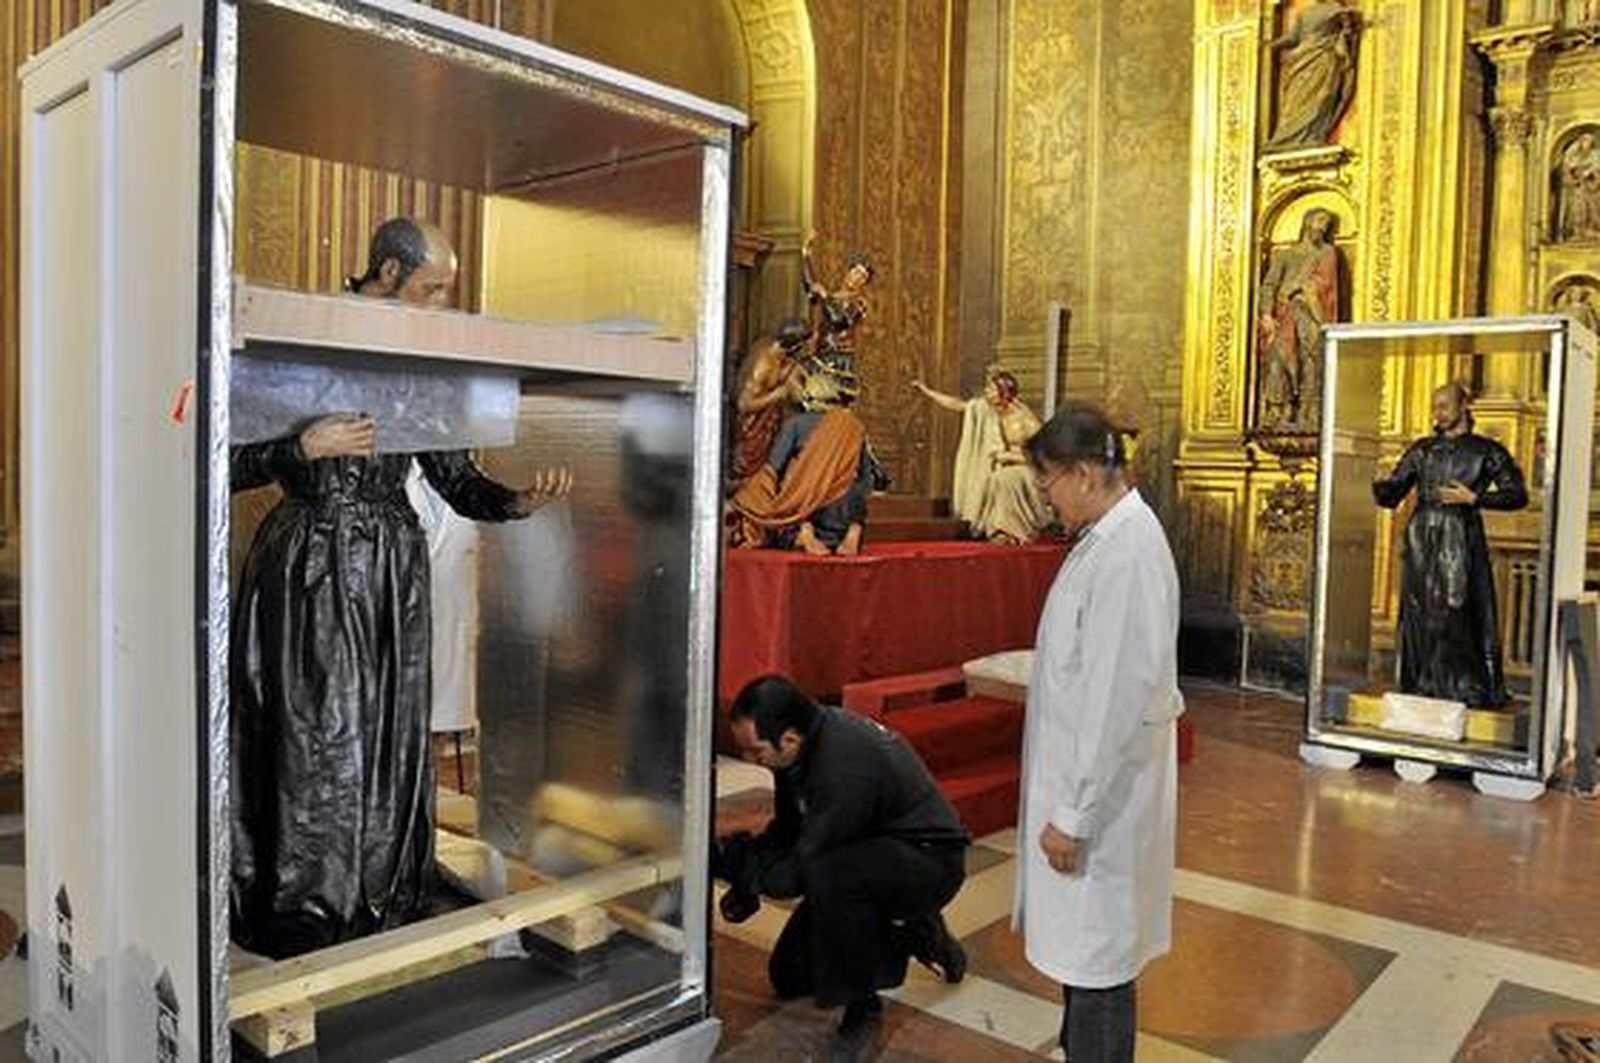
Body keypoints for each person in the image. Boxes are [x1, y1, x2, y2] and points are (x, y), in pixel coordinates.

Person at [229, 217, 573, 958]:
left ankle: (379, 875)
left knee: (385, 726)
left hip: (390, 569)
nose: (440, 305)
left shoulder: (420, 366)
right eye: (431, 288)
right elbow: (219, 461)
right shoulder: (301, 342)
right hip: (310, 564)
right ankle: (305, 890)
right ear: (386, 271)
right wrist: (301, 446)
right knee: (313, 729)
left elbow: (455, 481)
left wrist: (518, 501)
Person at [1015, 401, 1183, 1063]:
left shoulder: (1129, 553)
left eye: (1048, 482)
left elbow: (1114, 696)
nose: (1045, 498)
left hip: (1104, 798)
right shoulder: (1108, 539)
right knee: (1088, 956)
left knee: (1100, 967)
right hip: (1088, 783)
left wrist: (1075, 812)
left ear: (1084, 474)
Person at [718, 675, 969, 1058]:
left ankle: (864, 1008)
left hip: (928, 862)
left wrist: (747, 875)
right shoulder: (803, 746)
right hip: (870, 853)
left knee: (832, 875)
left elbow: (801, 870)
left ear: (789, 739)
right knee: (789, 977)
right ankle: (923, 929)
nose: (752, 761)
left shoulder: (843, 767)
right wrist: (746, 877)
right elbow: (788, 830)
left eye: (755, 751)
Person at [1372, 382, 1529, 707]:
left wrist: (1475, 498)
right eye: (1435, 406)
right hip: (1421, 536)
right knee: (1419, 611)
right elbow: (1392, 495)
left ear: (1464, 404)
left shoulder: (1487, 450)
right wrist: (1380, 482)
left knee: (1458, 610)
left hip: (1460, 535)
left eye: (1444, 405)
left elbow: (1517, 495)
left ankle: (1464, 690)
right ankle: (1421, 687)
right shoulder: (1422, 449)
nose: (1438, 413)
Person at [911, 366, 1049, 543]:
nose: (986, 392)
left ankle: (1009, 531)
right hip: (998, 465)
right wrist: (928, 392)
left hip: (1025, 468)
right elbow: (957, 405)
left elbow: (1045, 456)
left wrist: (1010, 457)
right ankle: (992, 529)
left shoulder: (1024, 420)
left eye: (991, 389)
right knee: (992, 478)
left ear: (1004, 392)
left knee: (1003, 479)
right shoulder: (984, 409)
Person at [1257, 207, 1341, 430]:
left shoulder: (1327, 253)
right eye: (1320, 221)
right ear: (1307, 222)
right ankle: (1278, 411)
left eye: (1327, 224)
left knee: (1311, 362)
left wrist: (1306, 288)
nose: (1323, 227)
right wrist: (1266, 314)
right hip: (1284, 314)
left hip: (1313, 314)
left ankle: (1308, 412)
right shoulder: (1287, 255)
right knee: (1277, 359)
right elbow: (1270, 285)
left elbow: (1328, 286)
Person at [1264, 0, 1360, 151]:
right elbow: (1293, 37)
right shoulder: (1305, 13)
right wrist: (1273, 44)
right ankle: (1287, 137)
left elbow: (1348, 34)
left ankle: (1314, 134)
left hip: (1324, 56)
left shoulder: (1336, 9)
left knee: (1324, 95)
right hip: (1304, 57)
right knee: (1296, 98)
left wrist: (1347, 27)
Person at [731, 320, 808, 484]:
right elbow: (743, 405)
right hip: (753, 429)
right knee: (749, 479)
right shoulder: (763, 366)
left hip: (769, 427)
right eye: (803, 346)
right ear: (794, 347)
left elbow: (787, 372)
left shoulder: (780, 357)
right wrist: (776, 395)